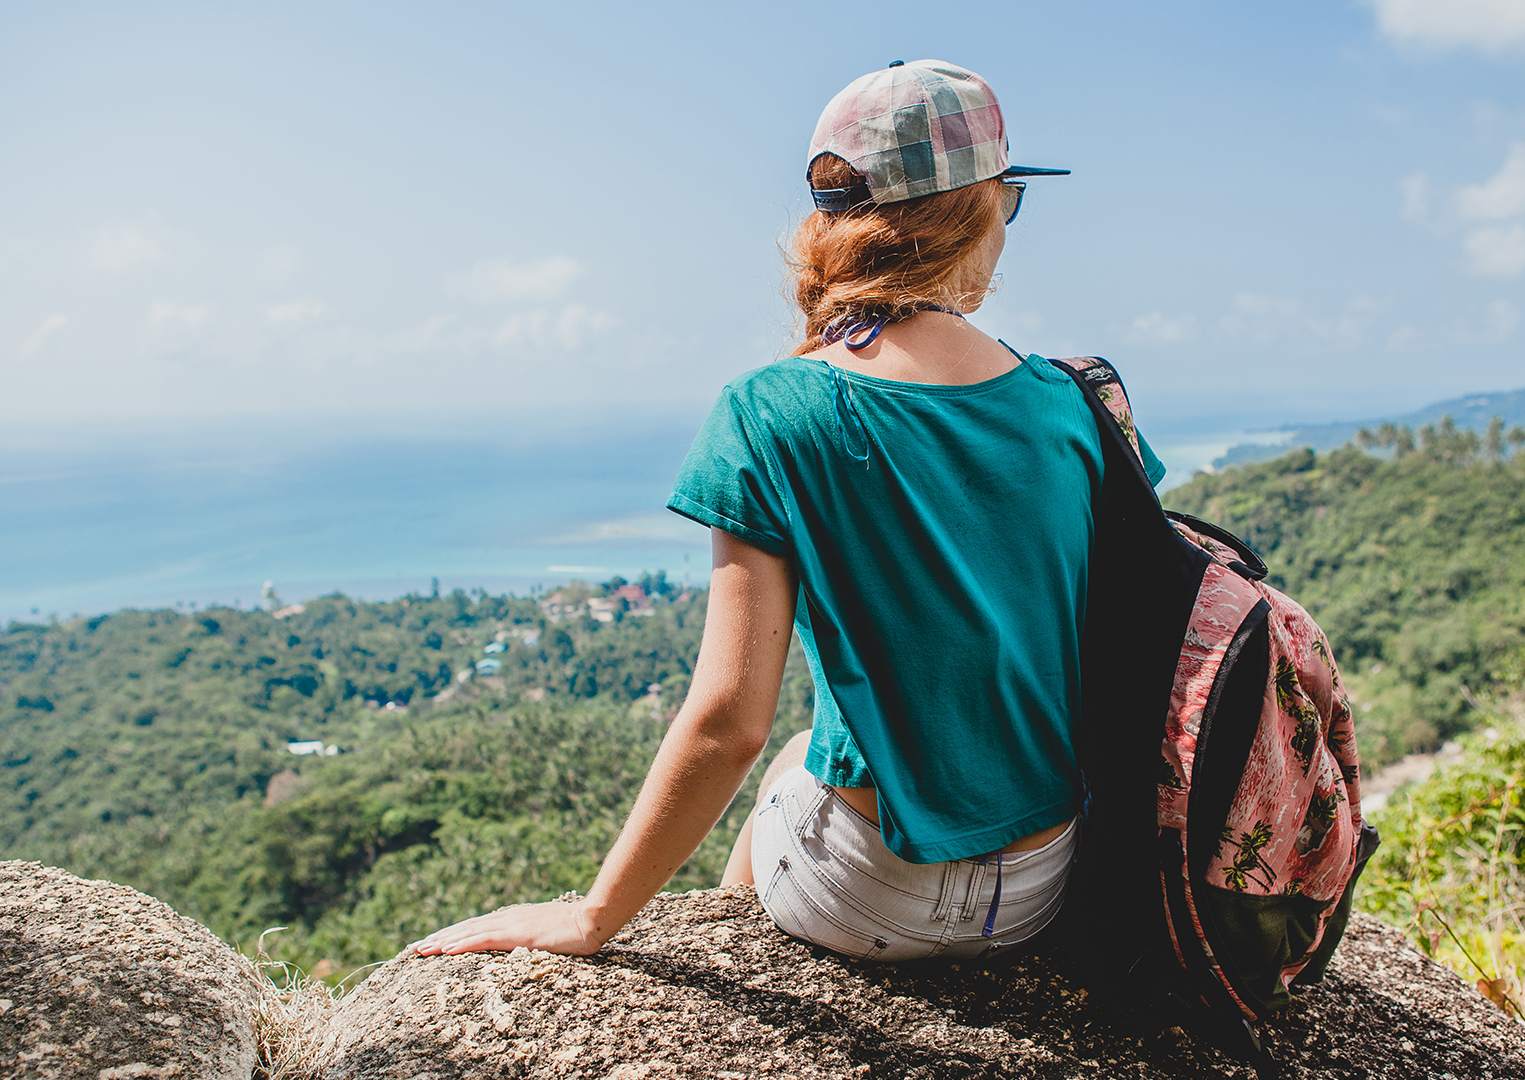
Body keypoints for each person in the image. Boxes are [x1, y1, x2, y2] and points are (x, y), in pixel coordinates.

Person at [412, 59, 1165, 963]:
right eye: (1007, 203)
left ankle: (740, 972)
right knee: (804, 756)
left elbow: (731, 722)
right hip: (1050, 876)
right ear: (978, 210)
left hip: (872, 895)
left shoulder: (771, 408)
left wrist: (591, 918)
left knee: (793, 760)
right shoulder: (1077, 402)